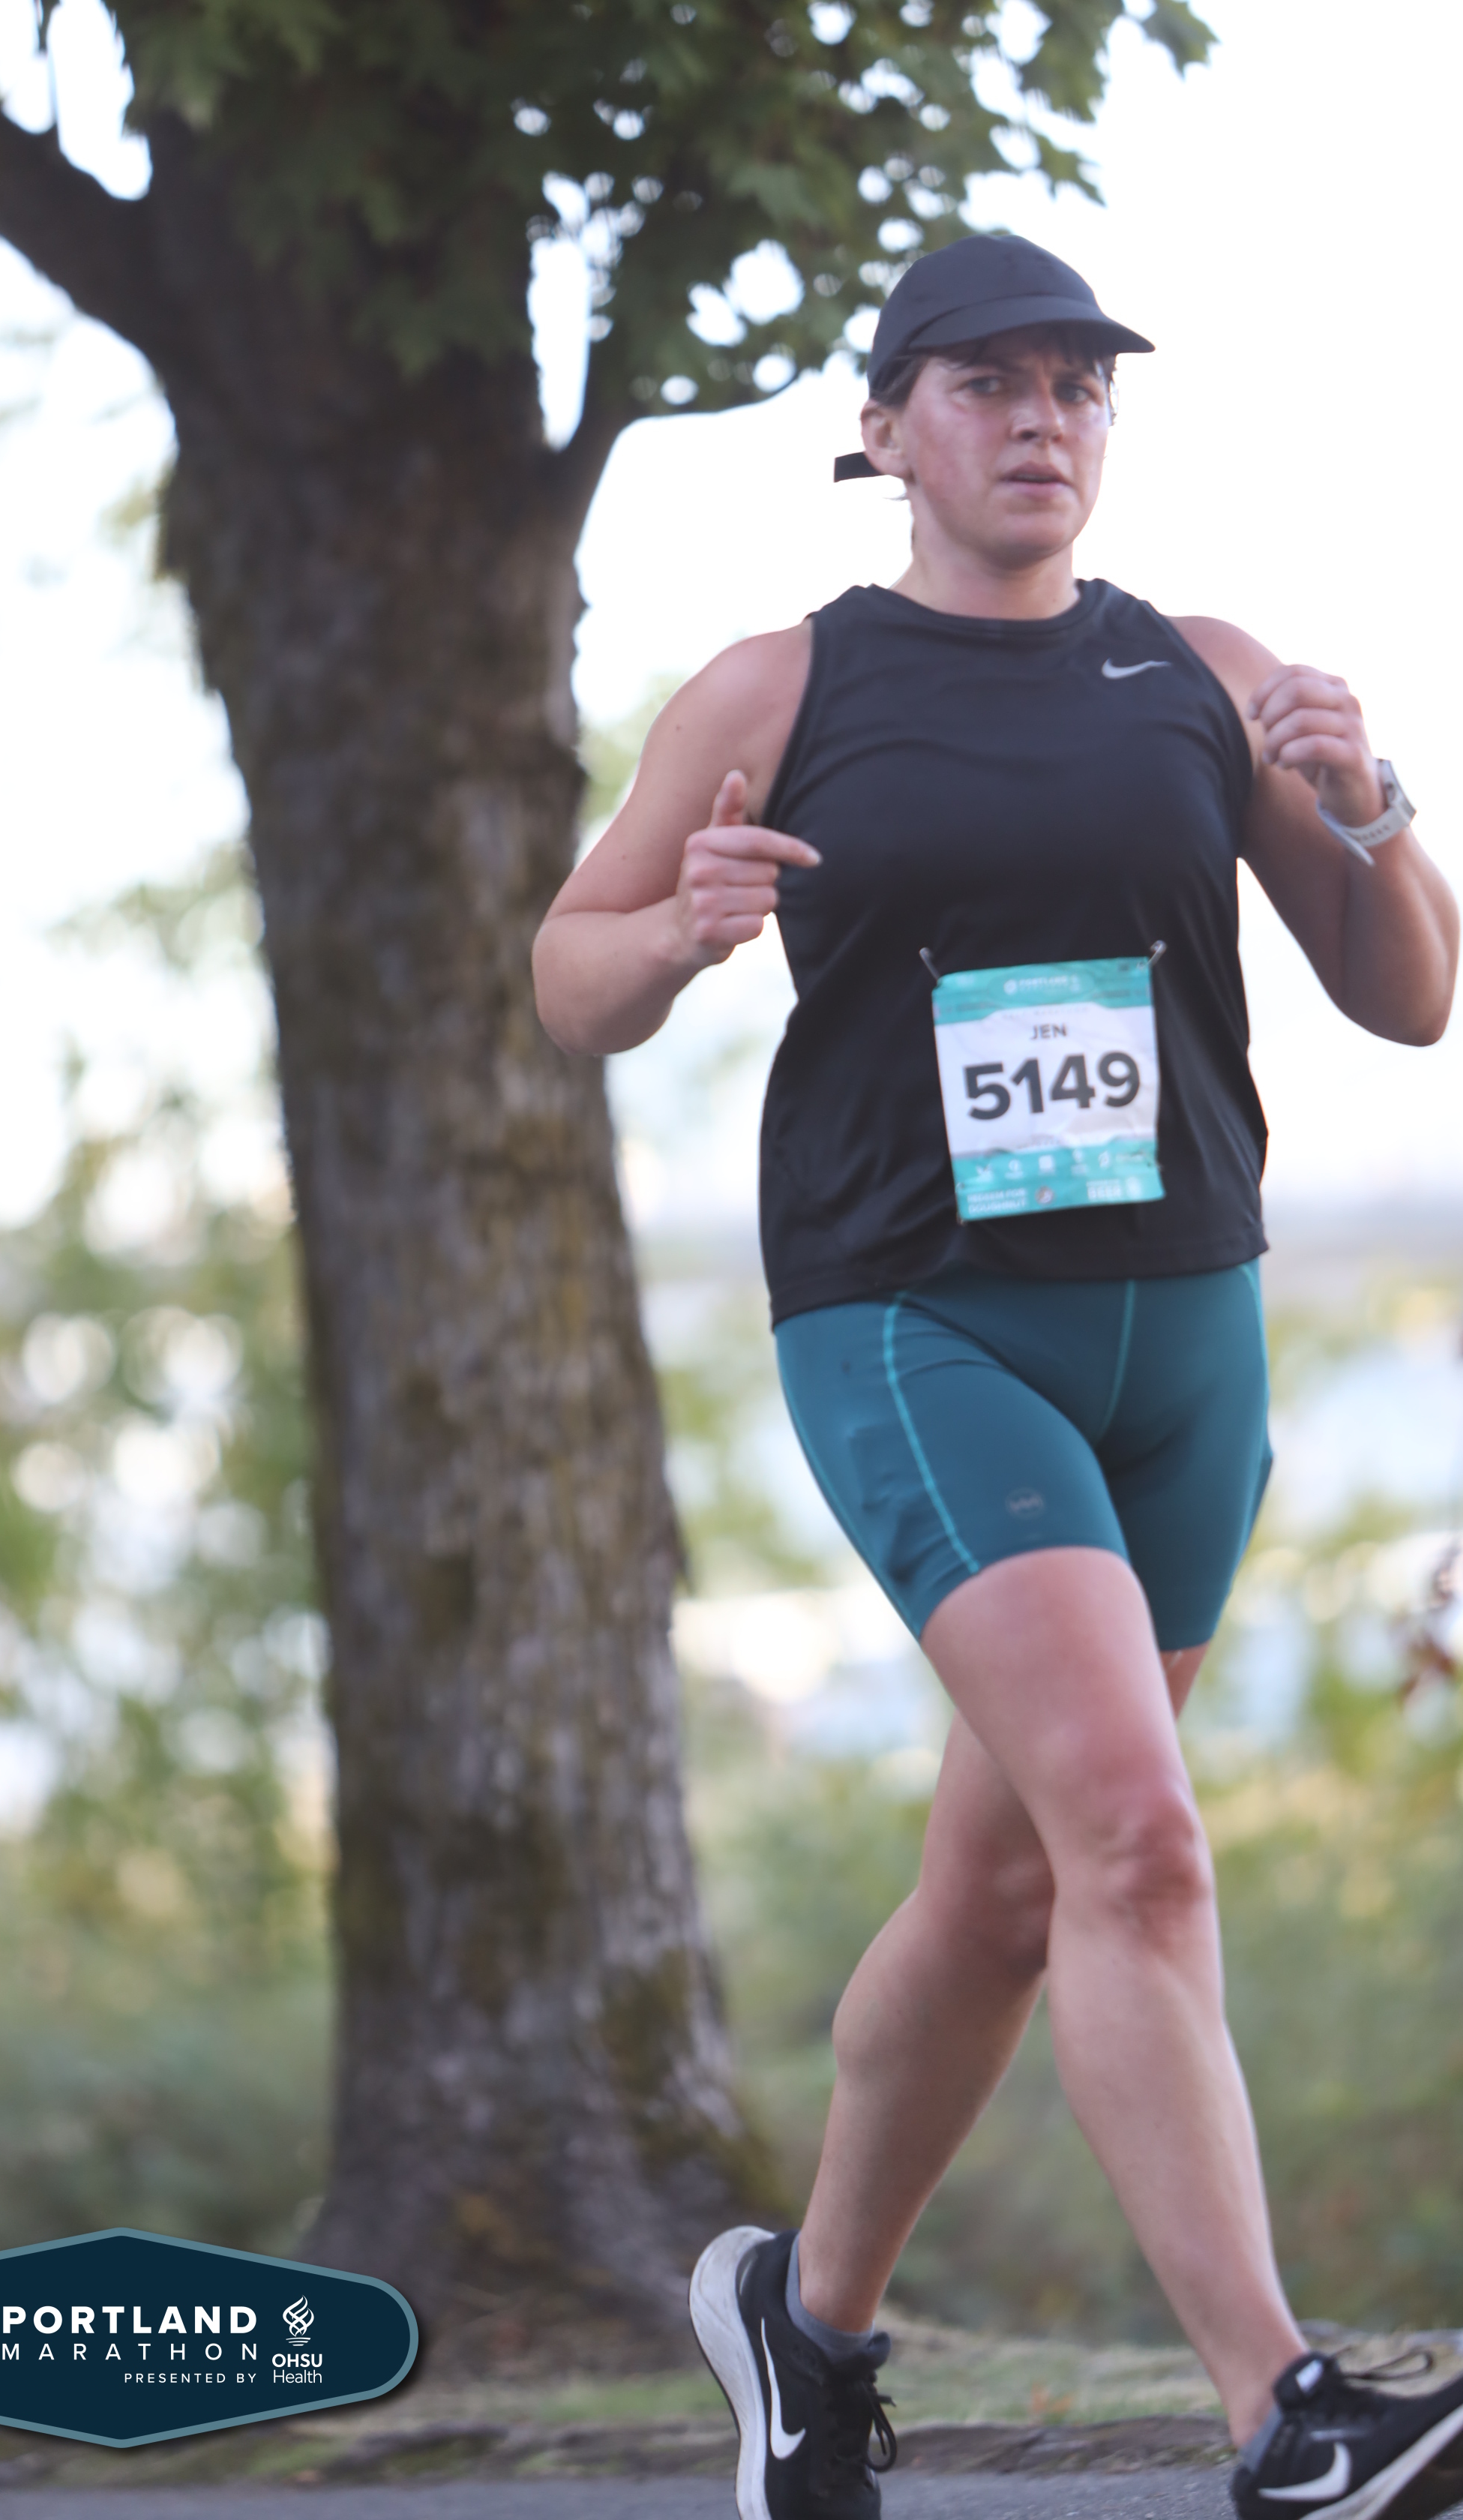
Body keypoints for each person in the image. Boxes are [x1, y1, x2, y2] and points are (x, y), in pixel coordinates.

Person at [532, 232, 1463, 2520]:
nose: (1044, 418)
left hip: (1189, 1327)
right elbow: (569, 975)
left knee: (1016, 1889)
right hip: (919, 1318)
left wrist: (1371, 803)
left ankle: (808, 2325)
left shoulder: (1203, 671)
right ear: (883, 430)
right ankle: (1285, 2416)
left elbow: (1410, 998)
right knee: (1135, 1836)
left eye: (1078, 386)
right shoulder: (781, 684)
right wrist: (682, 932)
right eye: (987, 382)